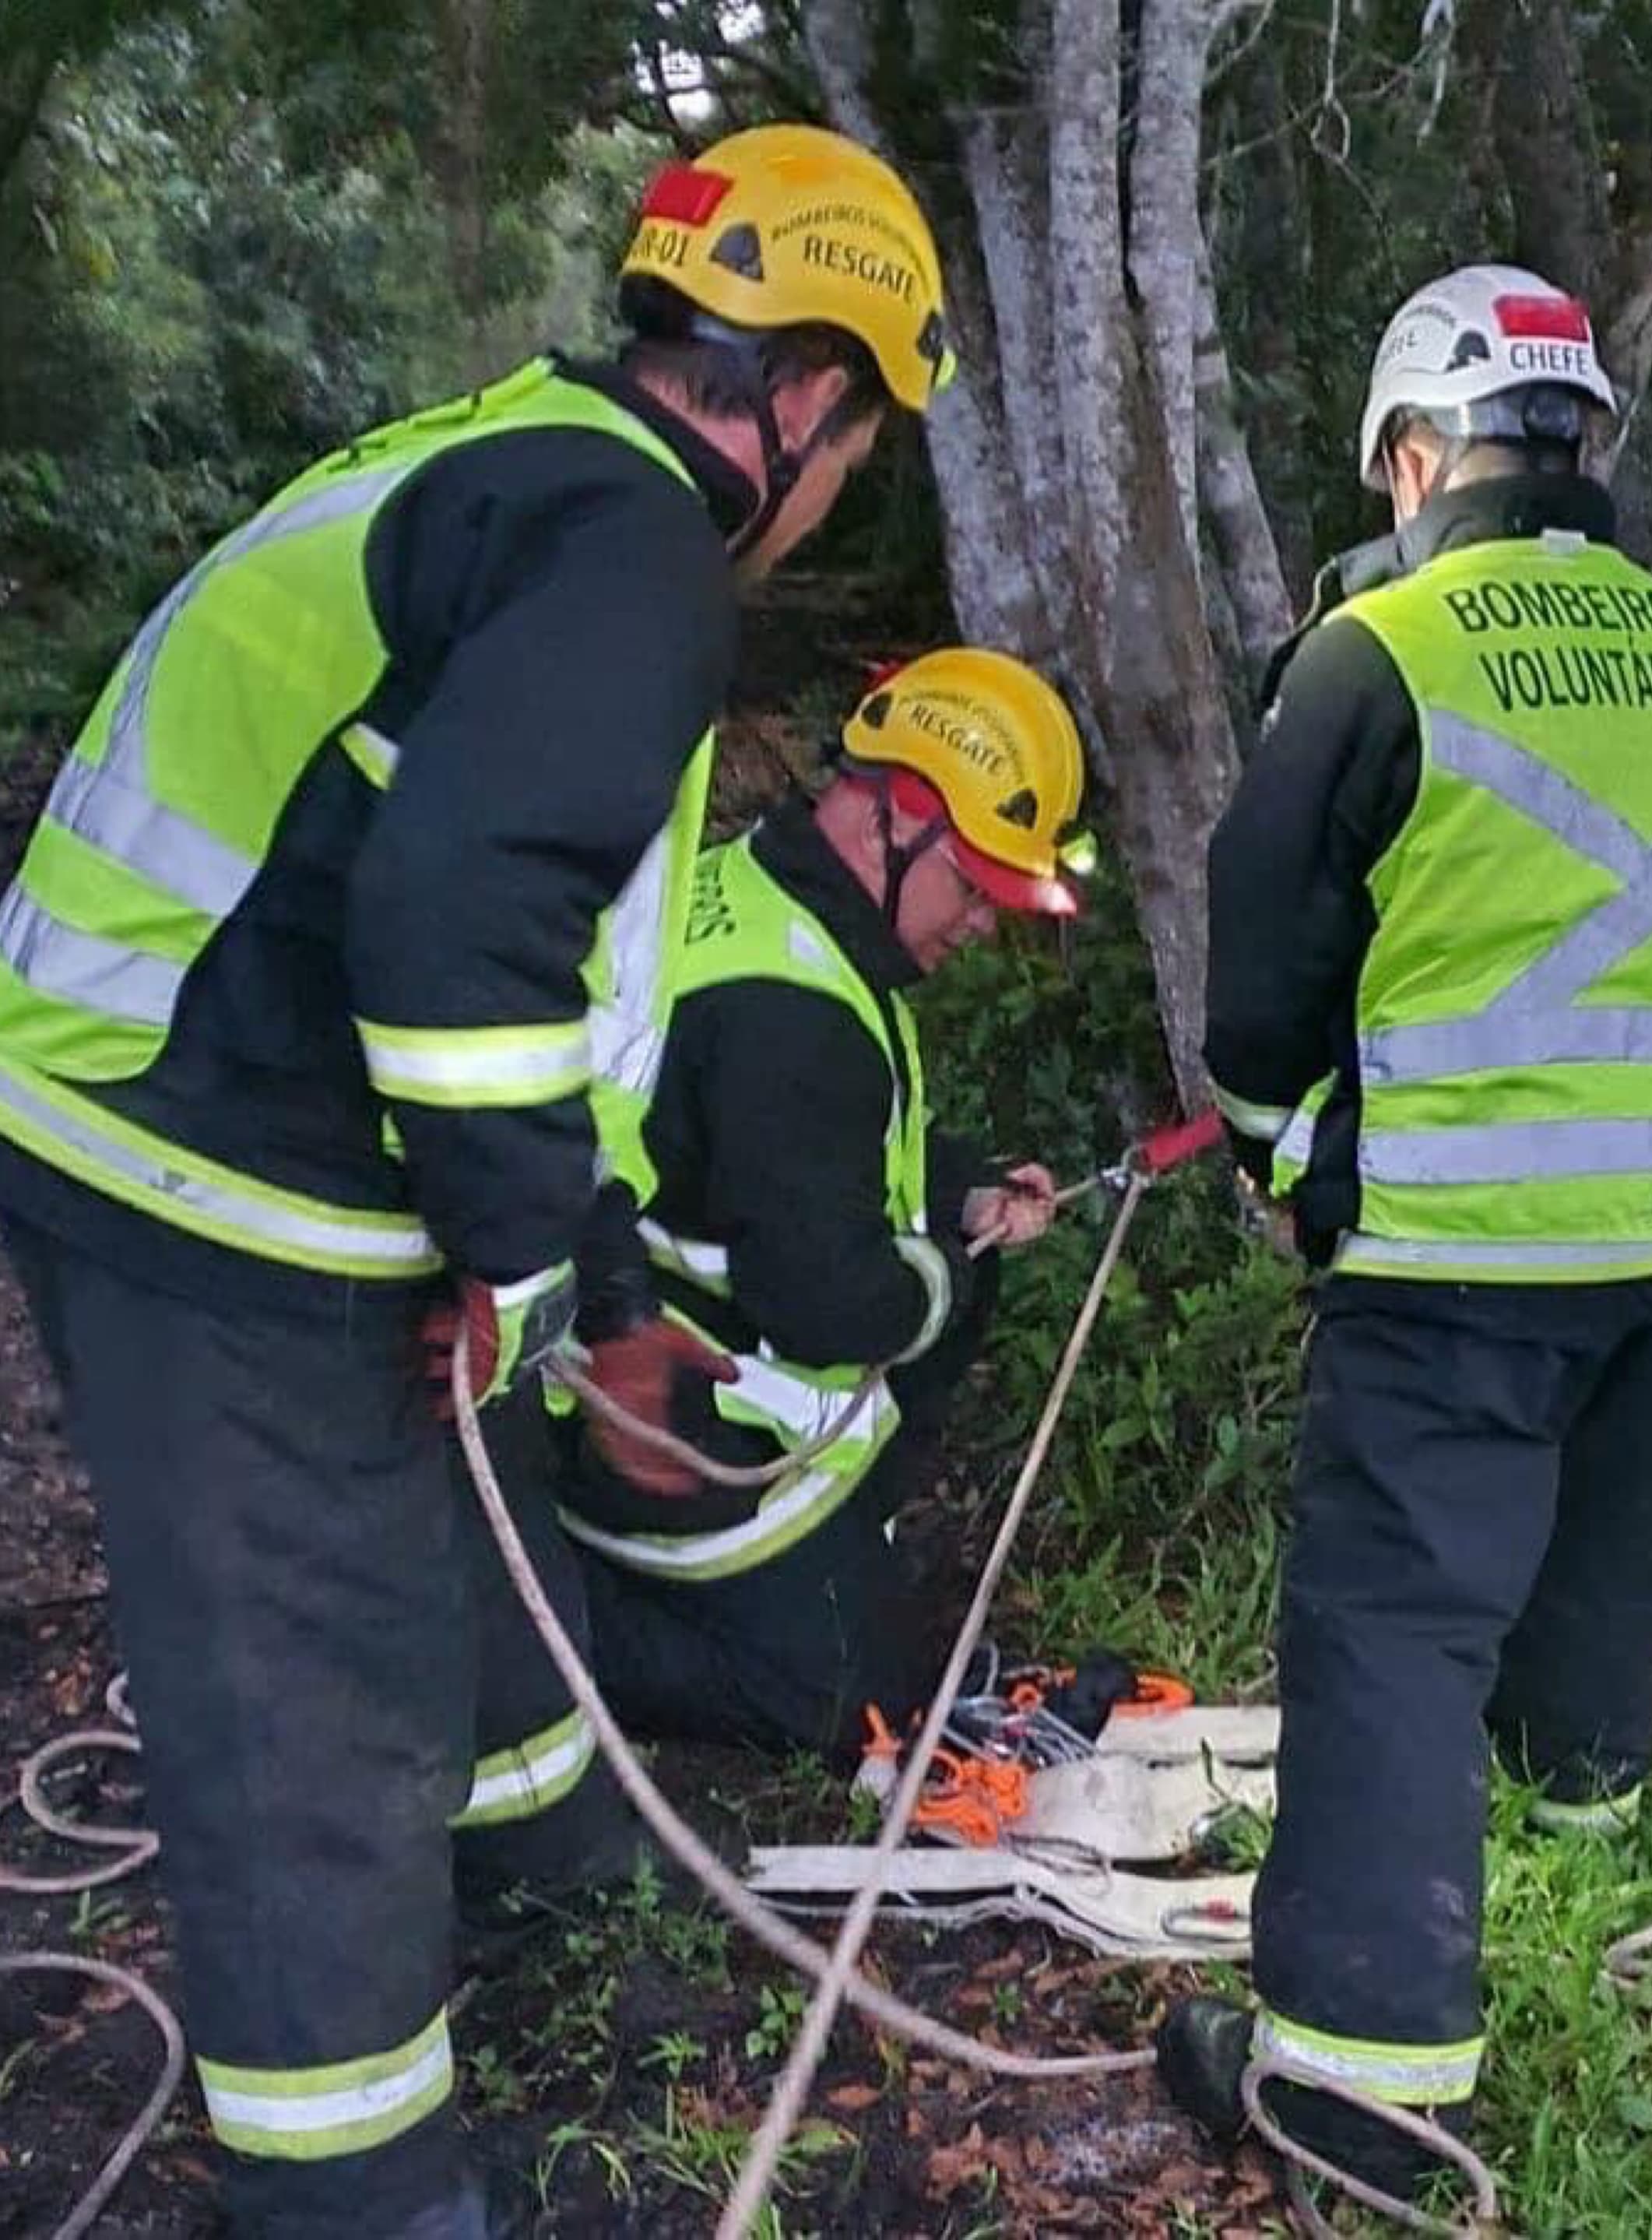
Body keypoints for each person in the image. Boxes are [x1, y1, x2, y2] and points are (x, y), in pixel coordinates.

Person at [0, 122, 951, 2238]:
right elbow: (453, 932)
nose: (834, 503)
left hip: (216, 1116)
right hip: (196, 1166)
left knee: (458, 1504)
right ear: (802, 389)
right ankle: (363, 2189)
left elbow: (519, 976)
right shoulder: (628, 552)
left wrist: (560, 1246)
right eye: (860, 448)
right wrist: (561, 1282)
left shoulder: (526, 467)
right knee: (308, 1696)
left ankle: (546, 1871)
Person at [1158, 262, 1652, 2198]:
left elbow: (1260, 964)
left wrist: (1287, 1158)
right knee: (1612, 1544)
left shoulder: (1382, 652)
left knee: (1392, 1618)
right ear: (1580, 442)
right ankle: (1582, 1836)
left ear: (1420, 453)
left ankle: (1355, 2088)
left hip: (1457, 1247)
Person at [510, 649, 1088, 1776]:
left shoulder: (754, 896)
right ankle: (531, 1623)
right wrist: (953, 1265)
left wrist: (959, 1183)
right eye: (973, 885)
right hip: (662, 1425)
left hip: (620, 1377)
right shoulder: (797, 1015)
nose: (982, 925)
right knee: (840, 1700)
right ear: (886, 823)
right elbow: (826, 1302)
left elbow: (790, 1159)